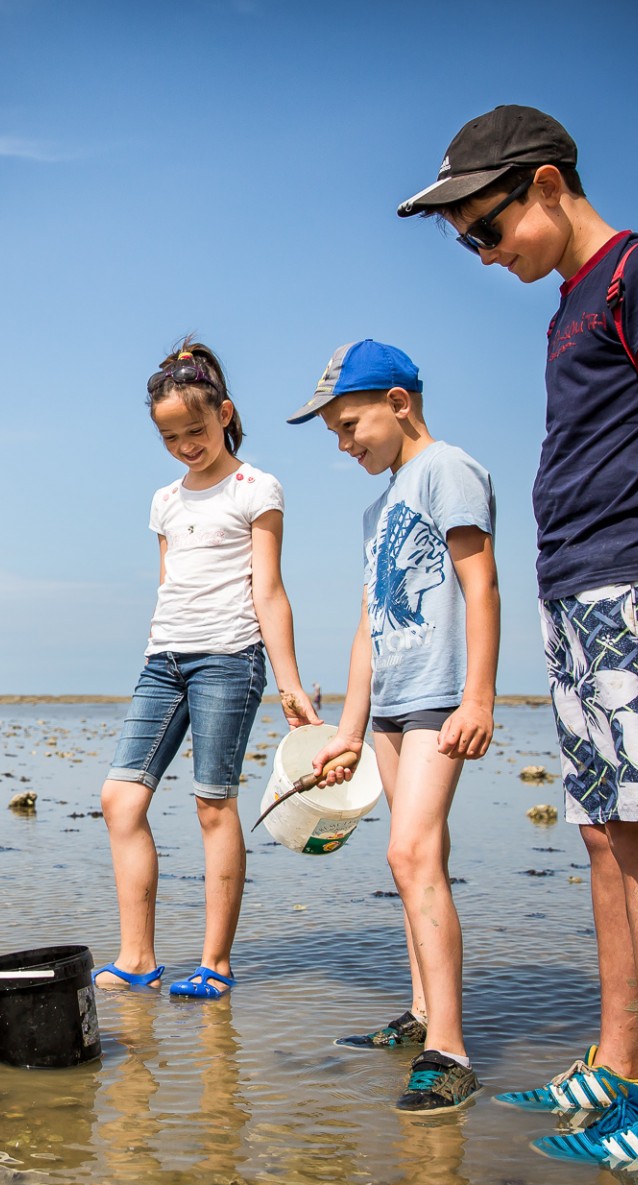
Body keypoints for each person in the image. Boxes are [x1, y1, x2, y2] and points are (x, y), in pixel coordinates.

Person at [399, 106, 638, 1165]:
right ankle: (620, 1061)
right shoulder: (566, 307)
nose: (484, 254)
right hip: (578, 596)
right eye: (468, 242)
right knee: (602, 832)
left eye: (487, 230)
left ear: (547, 184)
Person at [289, 339, 499, 1112]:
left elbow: (481, 584)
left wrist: (479, 698)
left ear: (398, 404)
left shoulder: (449, 471)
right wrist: (349, 728)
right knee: (407, 855)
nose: (345, 445)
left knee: (415, 852)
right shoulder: (380, 506)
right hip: (391, 700)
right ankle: (420, 1015)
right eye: (336, 434)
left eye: (351, 426)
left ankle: (451, 1049)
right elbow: (367, 624)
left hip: (441, 692)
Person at [97, 340, 318, 1000]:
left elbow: (269, 590)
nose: (186, 446)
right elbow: (171, 586)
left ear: (224, 414)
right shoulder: (165, 500)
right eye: (170, 437)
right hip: (163, 661)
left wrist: (290, 683)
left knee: (212, 804)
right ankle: (137, 957)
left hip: (231, 658)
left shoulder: (257, 488)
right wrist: (155, 649)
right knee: (120, 800)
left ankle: (214, 963)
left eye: (194, 431)